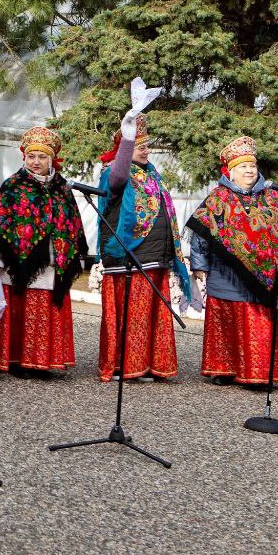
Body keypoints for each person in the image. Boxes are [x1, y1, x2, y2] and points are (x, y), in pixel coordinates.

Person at [187, 136, 278, 386]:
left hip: (265, 278)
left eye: (252, 165)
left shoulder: (273, 197)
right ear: (231, 172)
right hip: (225, 275)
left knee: (260, 323)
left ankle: (260, 372)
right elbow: (201, 233)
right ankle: (223, 369)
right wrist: (199, 265)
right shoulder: (218, 198)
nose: (250, 170)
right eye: (243, 166)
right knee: (227, 322)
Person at [96, 112, 195, 382]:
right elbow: (117, 178)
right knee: (133, 315)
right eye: (140, 145)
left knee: (151, 315)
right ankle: (125, 366)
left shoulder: (151, 175)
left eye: (145, 145)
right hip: (131, 258)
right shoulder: (115, 174)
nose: (146, 150)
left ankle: (151, 364)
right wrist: (128, 139)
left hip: (155, 258)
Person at [0, 126, 87, 376]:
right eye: (31, 156)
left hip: (53, 263)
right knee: (22, 311)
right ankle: (16, 360)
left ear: (52, 159)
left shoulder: (63, 188)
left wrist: (71, 255)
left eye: (42, 157)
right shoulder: (13, 185)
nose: (36, 162)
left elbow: (72, 223)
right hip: (19, 265)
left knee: (45, 312)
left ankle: (44, 361)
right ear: (24, 157)